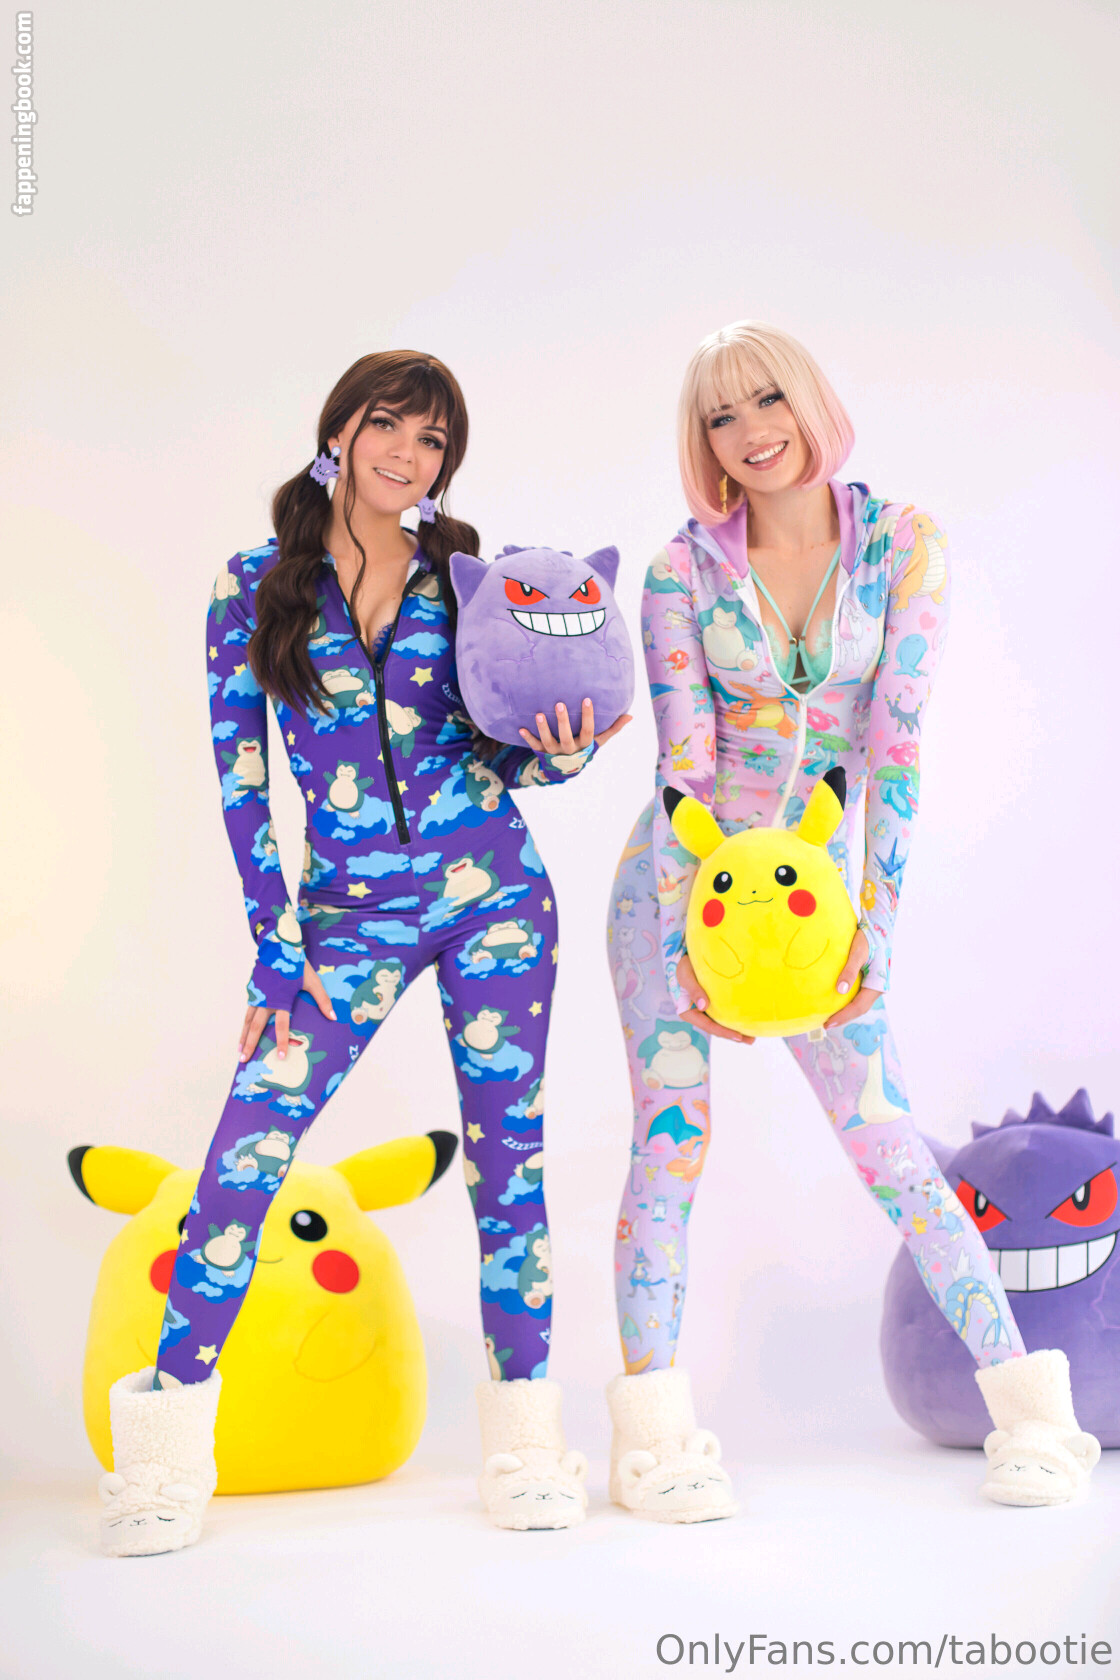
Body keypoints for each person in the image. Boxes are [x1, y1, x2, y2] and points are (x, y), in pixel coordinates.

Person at [97, 350, 629, 1555]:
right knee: (244, 1160)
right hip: (344, 918)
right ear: (337, 429)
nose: (408, 453)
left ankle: (525, 1447)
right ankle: (165, 1458)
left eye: (433, 440)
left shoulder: (463, 574)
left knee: (508, 1168)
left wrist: (564, 751)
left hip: (494, 897)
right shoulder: (253, 586)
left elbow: (499, 755)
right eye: (389, 424)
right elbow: (243, 781)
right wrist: (274, 951)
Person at [604, 320, 1100, 1520]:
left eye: (767, 399)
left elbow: (897, 745)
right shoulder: (679, 572)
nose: (750, 431)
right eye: (720, 415)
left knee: (891, 1153)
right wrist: (678, 944)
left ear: (809, 400)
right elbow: (683, 765)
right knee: (668, 1151)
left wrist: (872, 926)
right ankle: (653, 1443)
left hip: (821, 909)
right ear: (702, 440)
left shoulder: (901, 546)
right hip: (684, 892)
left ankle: (1037, 1420)